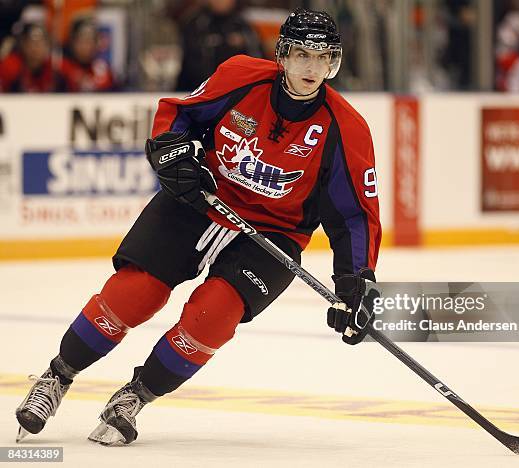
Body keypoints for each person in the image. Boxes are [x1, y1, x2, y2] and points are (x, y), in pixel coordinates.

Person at [15, 8, 381, 446]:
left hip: (274, 233)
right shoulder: (240, 75)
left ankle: (134, 398)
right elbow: (179, 115)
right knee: (134, 292)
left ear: (333, 62)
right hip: (201, 200)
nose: (311, 67)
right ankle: (57, 377)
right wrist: (171, 152)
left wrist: (357, 280)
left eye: (322, 57)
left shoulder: (347, 129)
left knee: (213, 316)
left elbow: (354, 215)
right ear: (282, 55)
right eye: (301, 54)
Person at [174, 0, 264, 92]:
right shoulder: (195, 25)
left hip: (238, 92)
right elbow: (193, 64)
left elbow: (258, 59)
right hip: (196, 91)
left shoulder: (243, 26)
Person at [0, 22, 65, 92]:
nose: (36, 47)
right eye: (32, 42)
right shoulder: (10, 66)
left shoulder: (55, 67)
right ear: (23, 44)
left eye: (41, 42)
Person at [60, 17, 114, 92]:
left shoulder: (104, 71)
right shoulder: (61, 69)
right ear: (72, 43)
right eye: (81, 41)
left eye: (89, 41)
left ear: (96, 44)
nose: (85, 46)